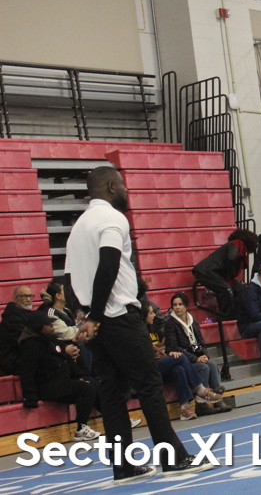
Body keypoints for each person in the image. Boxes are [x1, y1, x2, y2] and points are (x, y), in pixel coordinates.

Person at [67, 166, 211, 484]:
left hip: (97, 320)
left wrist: (84, 313)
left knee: (112, 391)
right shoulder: (113, 218)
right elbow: (108, 265)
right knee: (148, 385)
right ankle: (173, 458)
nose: (126, 190)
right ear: (110, 186)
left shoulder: (78, 226)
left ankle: (123, 466)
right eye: (122, 185)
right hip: (118, 317)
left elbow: (68, 277)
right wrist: (96, 314)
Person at [17, 310, 101, 440]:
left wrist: (80, 375)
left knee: (93, 383)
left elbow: (66, 358)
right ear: (39, 327)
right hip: (47, 386)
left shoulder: (51, 340)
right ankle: (81, 428)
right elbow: (27, 372)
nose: (52, 327)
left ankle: (111, 417)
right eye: (48, 325)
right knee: (85, 388)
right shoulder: (31, 346)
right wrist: (30, 397)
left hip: (62, 381)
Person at [145, 303, 226, 421]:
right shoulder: (141, 332)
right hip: (149, 367)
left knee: (179, 369)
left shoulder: (156, 328)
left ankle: (185, 407)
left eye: (180, 304)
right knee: (183, 358)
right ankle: (201, 391)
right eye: (151, 313)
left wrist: (166, 350)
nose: (154, 315)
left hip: (163, 362)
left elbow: (169, 346)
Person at [164, 292, 224, 394]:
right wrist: (196, 359)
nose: (177, 307)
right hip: (184, 360)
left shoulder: (193, 322)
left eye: (180, 304)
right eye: (175, 305)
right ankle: (202, 398)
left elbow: (201, 342)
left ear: (186, 306)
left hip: (196, 356)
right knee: (203, 367)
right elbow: (175, 347)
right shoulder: (170, 324)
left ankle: (217, 396)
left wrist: (205, 355)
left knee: (212, 365)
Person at [192, 229, 258, 319]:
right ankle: (225, 317)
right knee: (226, 290)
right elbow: (231, 257)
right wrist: (228, 274)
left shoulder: (237, 247)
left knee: (239, 288)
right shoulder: (237, 243)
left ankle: (236, 315)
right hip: (206, 272)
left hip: (214, 273)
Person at [0, 285, 34, 374]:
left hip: (22, 356)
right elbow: (26, 340)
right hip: (13, 360)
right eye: (24, 296)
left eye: (30, 296)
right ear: (15, 298)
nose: (28, 299)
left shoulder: (26, 314)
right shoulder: (12, 318)